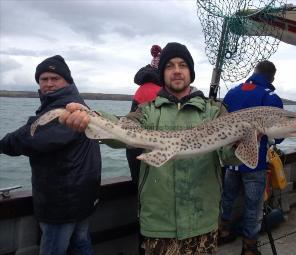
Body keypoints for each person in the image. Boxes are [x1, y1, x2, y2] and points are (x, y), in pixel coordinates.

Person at [59, 42, 240, 254]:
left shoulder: (215, 112)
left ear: (191, 71)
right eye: (170, 66)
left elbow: (229, 157)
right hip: (158, 223)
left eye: (182, 65)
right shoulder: (146, 111)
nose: (177, 71)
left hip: (202, 220)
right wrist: (91, 117)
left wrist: (245, 141)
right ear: (162, 73)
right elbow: (120, 131)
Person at [0, 55, 101, 255]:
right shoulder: (72, 104)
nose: (49, 84)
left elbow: (30, 139)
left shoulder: (69, 110)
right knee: (80, 243)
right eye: (44, 79)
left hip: (62, 202)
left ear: (68, 81)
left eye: (55, 79)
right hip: (81, 197)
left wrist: (2, 145)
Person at [219, 60, 283, 255]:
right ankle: (249, 247)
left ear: (254, 72)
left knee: (228, 198)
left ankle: (223, 232)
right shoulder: (270, 96)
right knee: (253, 207)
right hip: (254, 165)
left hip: (231, 162)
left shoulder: (232, 93)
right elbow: (278, 136)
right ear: (271, 77)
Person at [126, 44, 162, 185]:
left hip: (134, 144)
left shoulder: (142, 87)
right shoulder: (161, 91)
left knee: (139, 181)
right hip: (151, 143)